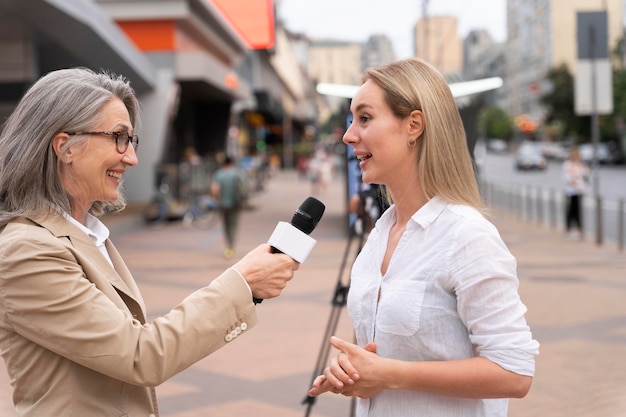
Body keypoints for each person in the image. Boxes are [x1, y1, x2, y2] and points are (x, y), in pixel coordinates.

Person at [0, 67, 299, 417]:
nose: (131, 157)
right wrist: (243, 284)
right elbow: (140, 354)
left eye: (131, 140)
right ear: (65, 148)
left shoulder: (85, 234)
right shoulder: (26, 250)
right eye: (118, 137)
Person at [308, 58, 539, 416]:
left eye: (365, 118)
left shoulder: (466, 235)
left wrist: (390, 374)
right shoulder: (379, 235)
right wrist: (354, 370)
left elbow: (514, 371)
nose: (349, 135)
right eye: (352, 119)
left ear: (414, 125)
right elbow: (382, 358)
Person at [211, 155, 246, 258]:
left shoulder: (219, 174)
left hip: (223, 203)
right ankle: (232, 245)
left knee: (226, 225)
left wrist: (217, 199)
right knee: (233, 225)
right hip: (236, 203)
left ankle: (228, 246)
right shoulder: (238, 173)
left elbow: (214, 189)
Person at [562, 145, 588, 239]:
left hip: (579, 190)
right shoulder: (567, 164)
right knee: (571, 209)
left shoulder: (580, 164)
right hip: (571, 190)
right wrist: (574, 183)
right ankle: (569, 226)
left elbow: (584, 175)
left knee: (578, 209)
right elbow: (567, 177)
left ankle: (579, 227)